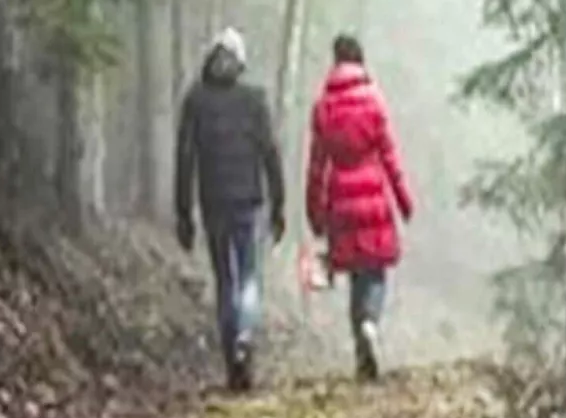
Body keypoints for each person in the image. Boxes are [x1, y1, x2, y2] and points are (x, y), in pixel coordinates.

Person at [175, 27, 287, 392]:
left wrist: (183, 212)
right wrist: (279, 204)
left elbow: (185, 159)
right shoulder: (254, 100)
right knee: (250, 277)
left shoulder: (195, 100)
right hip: (248, 200)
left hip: (213, 202)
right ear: (240, 64)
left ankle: (232, 359)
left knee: (226, 280)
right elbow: (270, 153)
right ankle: (244, 338)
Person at [305, 33, 414, 381]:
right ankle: (370, 324)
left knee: (354, 275)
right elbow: (390, 155)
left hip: (341, 198)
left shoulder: (323, 107)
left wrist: (315, 211)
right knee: (376, 271)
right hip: (372, 195)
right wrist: (403, 198)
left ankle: (360, 345)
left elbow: (316, 165)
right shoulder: (374, 101)